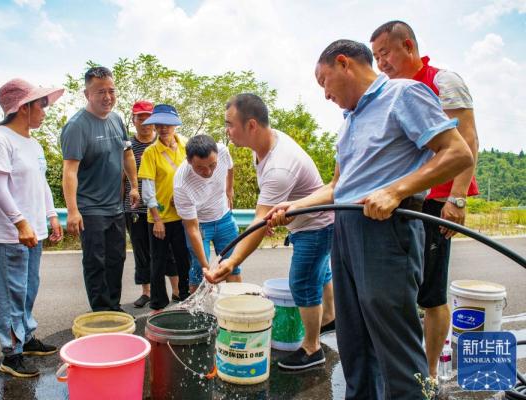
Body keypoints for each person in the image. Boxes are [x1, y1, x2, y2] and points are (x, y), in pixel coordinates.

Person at [267, 40, 473, 398]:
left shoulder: (403, 94)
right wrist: (294, 206)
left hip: (385, 228)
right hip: (345, 227)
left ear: (343, 63)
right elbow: (337, 187)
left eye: (324, 82)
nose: (325, 94)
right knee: (354, 341)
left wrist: (396, 190)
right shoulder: (349, 122)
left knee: (394, 345)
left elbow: (458, 152)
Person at [370, 20, 480, 380]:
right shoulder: (388, 90)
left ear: (408, 46)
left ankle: (429, 375)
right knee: (400, 288)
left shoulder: (441, 80)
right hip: (400, 200)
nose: (380, 63)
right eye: (375, 57)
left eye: (384, 53)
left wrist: (457, 199)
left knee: (431, 293)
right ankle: (401, 368)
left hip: (435, 202)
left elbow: (467, 142)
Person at [205, 93, 336, 371]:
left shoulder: (279, 165)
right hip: (309, 220)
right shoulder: (264, 142)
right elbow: (264, 216)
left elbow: (258, 221)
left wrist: (230, 262)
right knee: (320, 272)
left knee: (302, 282)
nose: (227, 131)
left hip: (315, 225)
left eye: (230, 125)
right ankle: (330, 318)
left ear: (251, 125)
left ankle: (312, 349)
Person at [0, 78, 64, 378]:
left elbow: (40, 185)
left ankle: (26, 338)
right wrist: (20, 221)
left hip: (33, 230)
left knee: (28, 288)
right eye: (40, 104)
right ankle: (10, 353)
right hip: (8, 233)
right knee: (10, 293)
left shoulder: (33, 142)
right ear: (23, 107)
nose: (45, 109)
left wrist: (52, 216)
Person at [61, 66, 139, 312]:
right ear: (87, 94)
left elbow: (127, 154)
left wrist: (134, 186)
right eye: (100, 92)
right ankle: (101, 312)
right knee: (96, 262)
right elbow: (70, 171)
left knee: (117, 259)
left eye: (111, 91)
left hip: (115, 205)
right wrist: (73, 211)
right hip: (90, 207)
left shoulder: (117, 120)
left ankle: (113, 306)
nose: (107, 97)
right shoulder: (77, 126)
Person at [125, 100, 180, 308]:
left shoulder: (166, 142)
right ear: (134, 119)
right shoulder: (128, 144)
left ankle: (175, 290)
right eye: (140, 117)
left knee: (168, 253)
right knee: (141, 250)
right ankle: (147, 292)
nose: (145, 121)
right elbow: (122, 174)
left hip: (164, 208)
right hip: (135, 207)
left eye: (149, 117)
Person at [138, 104, 191, 310]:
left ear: (174, 125)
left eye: (167, 124)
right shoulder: (151, 152)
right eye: (159, 124)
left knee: (183, 260)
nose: (163, 128)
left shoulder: (187, 146)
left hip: (183, 215)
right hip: (160, 218)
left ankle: (186, 297)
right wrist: (157, 219)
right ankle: (158, 303)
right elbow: (147, 189)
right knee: (158, 263)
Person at [173, 134, 241, 293]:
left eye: (212, 165)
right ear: (189, 161)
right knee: (199, 269)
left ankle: (237, 311)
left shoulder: (222, 151)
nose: (208, 171)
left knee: (232, 266)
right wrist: (206, 267)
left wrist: (229, 188)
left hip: (224, 218)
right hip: (200, 224)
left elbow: (230, 168)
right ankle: (198, 314)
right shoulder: (181, 184)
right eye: (200, 168)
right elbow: (192, 229)